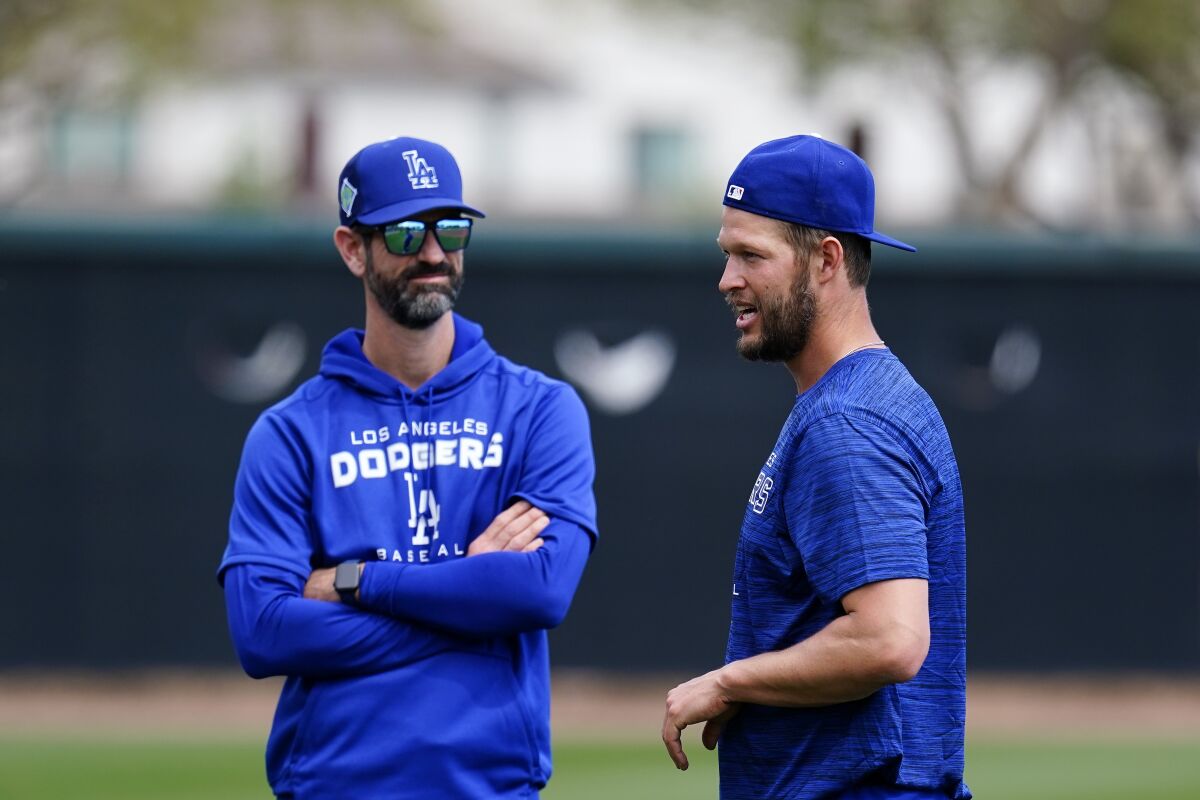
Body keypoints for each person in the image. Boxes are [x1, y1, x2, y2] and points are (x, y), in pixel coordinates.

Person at [218, 136, 598, 799]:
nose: (431, 253)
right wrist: (470, 606)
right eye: (402, 233)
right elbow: (264, 632)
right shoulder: (289, 433)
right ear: (351, 248)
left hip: (491, 786)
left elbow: (538, 592)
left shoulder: (540, 410)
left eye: (450, 230)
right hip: (334, 785)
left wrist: (357, 580)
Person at [662, 135, 969, 800]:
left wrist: (729, 681)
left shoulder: (846, 423)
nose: (727, 280)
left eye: (752, 255)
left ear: (826, 259)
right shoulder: (862, 400)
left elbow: (891, 640)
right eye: (727, 254)